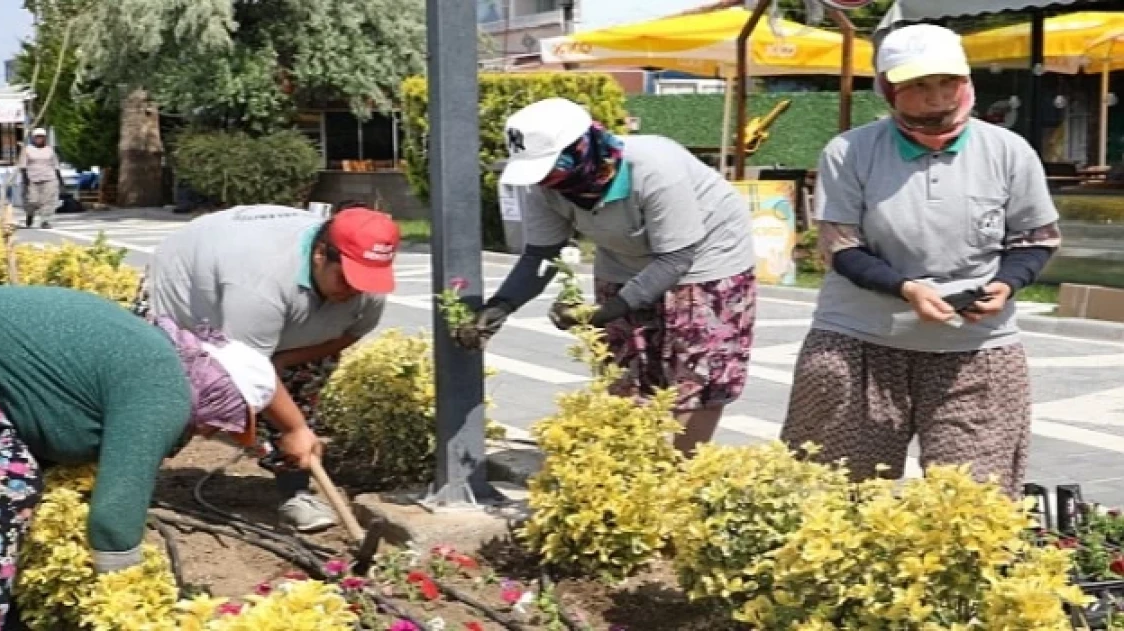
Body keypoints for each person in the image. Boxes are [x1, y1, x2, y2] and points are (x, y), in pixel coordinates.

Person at [0, 279, 301, 630]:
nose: (209, 431)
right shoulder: (165, 389)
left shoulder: (154, 357)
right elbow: (114, 515)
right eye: (222, 421)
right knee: (3, 484)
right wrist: (128, 600)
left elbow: (46, 419)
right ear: (221, 396)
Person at [778, 24, 1061, 498]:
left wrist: (1007, 285)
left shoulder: (1009, 151)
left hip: (974, 345)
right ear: (888, 90)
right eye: (917, 86)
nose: (936, 98)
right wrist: (906, 289)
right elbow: (840, 247)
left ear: (966, 81)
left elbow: (1035, 238)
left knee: (974, 499)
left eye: (946, 82)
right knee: (836, 490)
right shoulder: (850, 152)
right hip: (859, 338)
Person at [454, 97, 758, 455]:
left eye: (551, 168)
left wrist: (605, 310)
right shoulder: (544, 186)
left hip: (706, 257)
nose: (547, 181)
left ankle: (681, 474)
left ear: (582, 148)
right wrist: (501, 307)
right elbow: (541, 254)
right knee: (623, 370)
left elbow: (676, 257)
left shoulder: (654, 168)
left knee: (695, 373)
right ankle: (633, 465)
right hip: (623, 258)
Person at [135, 203, 399, 532]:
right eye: (346, 279)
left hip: (266, 319)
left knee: (300, 388)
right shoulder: (259, 281)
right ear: (320, 255)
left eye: (364, 282)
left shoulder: (364, 280)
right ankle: (123, 478)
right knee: (182, 396)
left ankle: (295, 493)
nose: (355, 291)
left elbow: (351, 332)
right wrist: (293, 429)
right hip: (188, 298)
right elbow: (243, 366)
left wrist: (284, 362)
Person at [18, 127, 63, 229]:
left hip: (49, 178)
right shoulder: (27, 150)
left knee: (48, 201)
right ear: (33, 138)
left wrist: (60, 179)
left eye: (41, 137)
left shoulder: (49, 150)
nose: (39, 139)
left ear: (45, 138)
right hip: (32, 179)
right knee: (32, 201)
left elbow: (56, 165)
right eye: (37, 137)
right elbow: (23, 166)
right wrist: (25, 179)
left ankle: (45, 221)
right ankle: (30, 214)